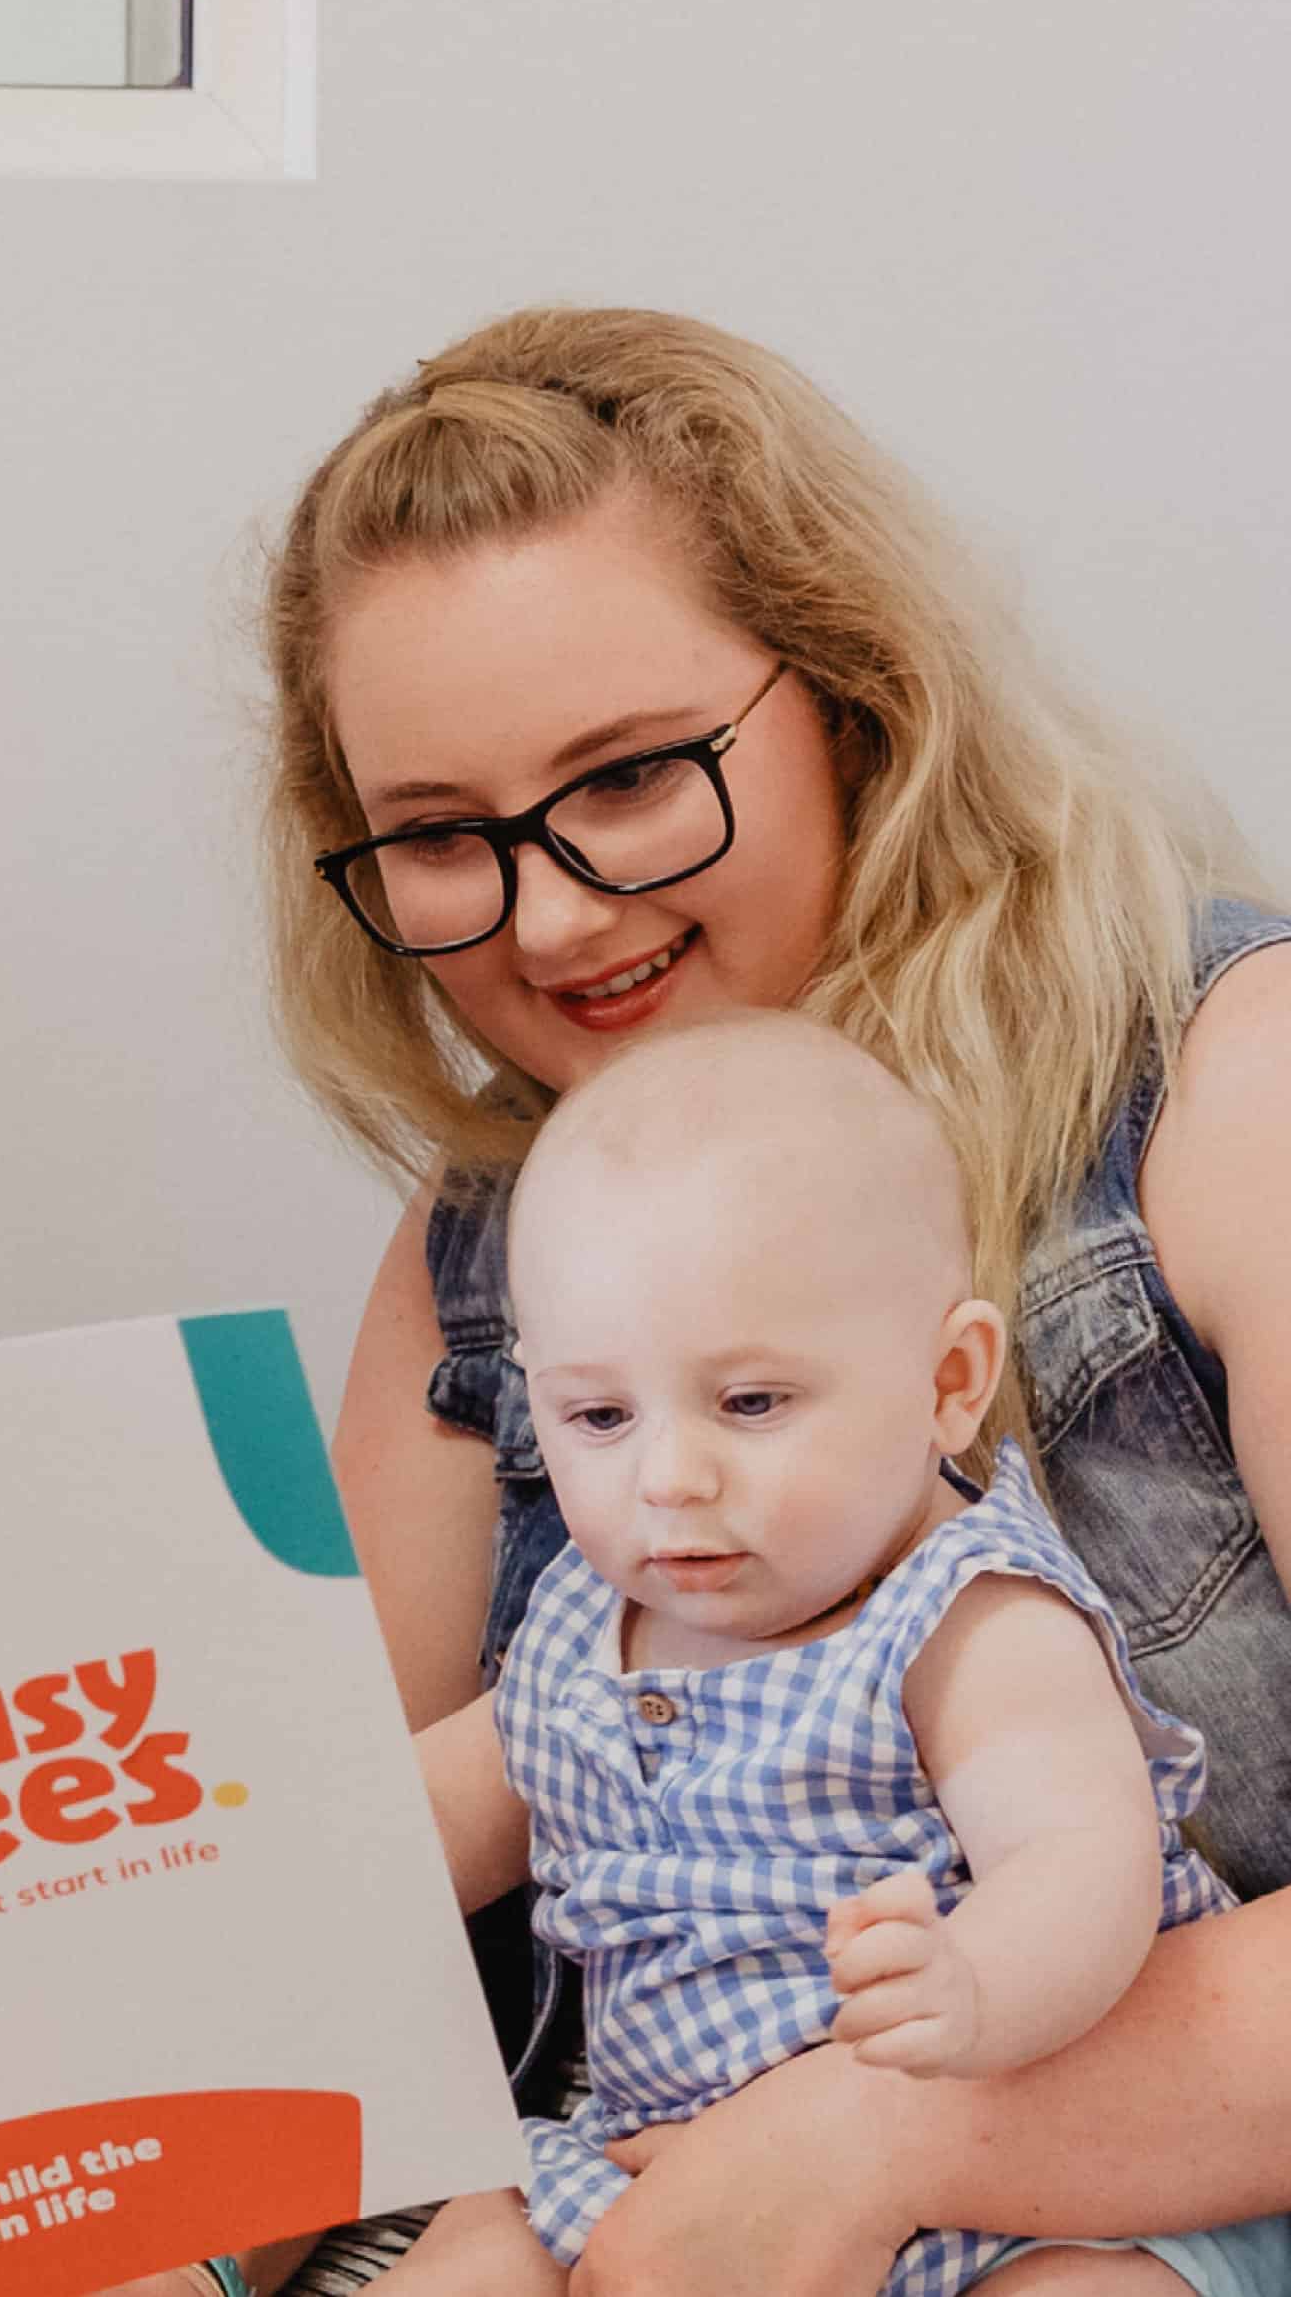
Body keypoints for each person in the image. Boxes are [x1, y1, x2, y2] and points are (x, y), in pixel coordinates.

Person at [256, 305, 1291, 2296]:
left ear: (853, 700)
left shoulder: (1217, 1084)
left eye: (632, 776)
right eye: (443, 838)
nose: (549, 915)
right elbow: (341, 1913)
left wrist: (891, 2126)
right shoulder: (486, 1255)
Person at [390, 1008, 1286, 2297]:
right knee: (468, 2259)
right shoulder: (585, 1618)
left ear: (949, 1380)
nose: (672, 1479)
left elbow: (1083, 1860)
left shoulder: (968, 1619)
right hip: (660, 2160)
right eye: (598, 1414)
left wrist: (978, 1987)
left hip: (1024, 2174)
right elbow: (427, 1820)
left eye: (751, 1403)